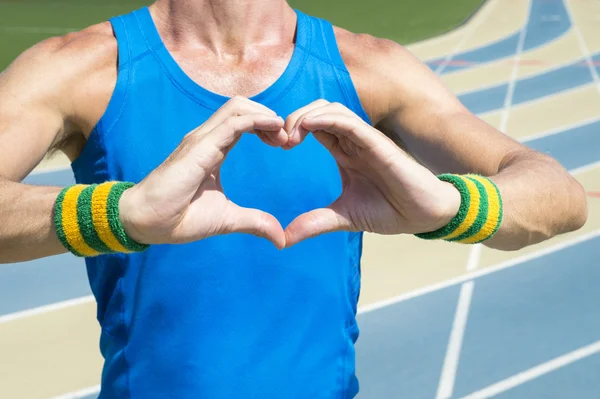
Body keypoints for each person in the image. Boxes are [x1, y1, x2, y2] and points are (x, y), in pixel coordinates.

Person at [0, 0, 587, 397]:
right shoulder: (80, 68)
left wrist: (452, 206)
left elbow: (559, 193)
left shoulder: (369, 67)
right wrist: (117, 213)